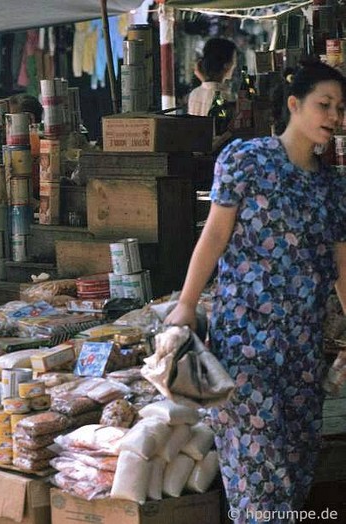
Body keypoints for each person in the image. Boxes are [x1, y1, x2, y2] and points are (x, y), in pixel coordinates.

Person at [164, 60, 346, 521]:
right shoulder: (247, 160)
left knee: (295, 470)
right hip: (244, 349)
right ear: (293, 105)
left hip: (303, 356)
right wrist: (185, 305)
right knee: (259, 477)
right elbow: (214, 237)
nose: (334, 117)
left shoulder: (333, 189)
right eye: (324, 104)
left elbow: (344, 268)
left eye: (341, 109)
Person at [187, 38, 237, 116]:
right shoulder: (226, 98)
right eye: (234, 60)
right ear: (226, 65)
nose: (235, 65)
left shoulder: (194, 93)